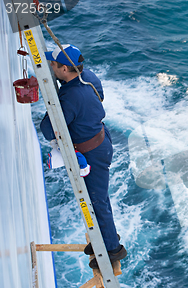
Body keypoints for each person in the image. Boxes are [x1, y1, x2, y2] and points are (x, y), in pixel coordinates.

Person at [40, 44, 126, 269]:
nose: (51, 66)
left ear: (65, 70)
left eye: (54, 65)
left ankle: (112, 250)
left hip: (92, 152)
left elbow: (49, 128)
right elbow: (100, 96)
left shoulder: (70, 97)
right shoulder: (88, 77)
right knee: (96, 199)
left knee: (98, 202)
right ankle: (105, 239)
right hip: (101, 140)